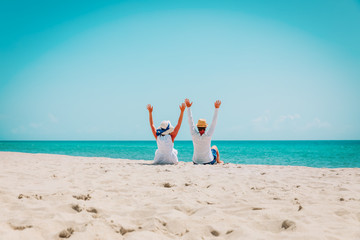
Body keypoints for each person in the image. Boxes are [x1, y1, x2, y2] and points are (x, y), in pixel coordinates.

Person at [185, 98, 223, 164]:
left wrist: (188, 107)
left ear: (197, 127)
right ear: (205, 127)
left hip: (195, 162)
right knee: (214, 147)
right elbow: (214, 122)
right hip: (208, 161)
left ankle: (218, 161)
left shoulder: (194, 134)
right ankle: (218, 161)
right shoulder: (208, 135)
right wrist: (216, 108)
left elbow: (190, 121)